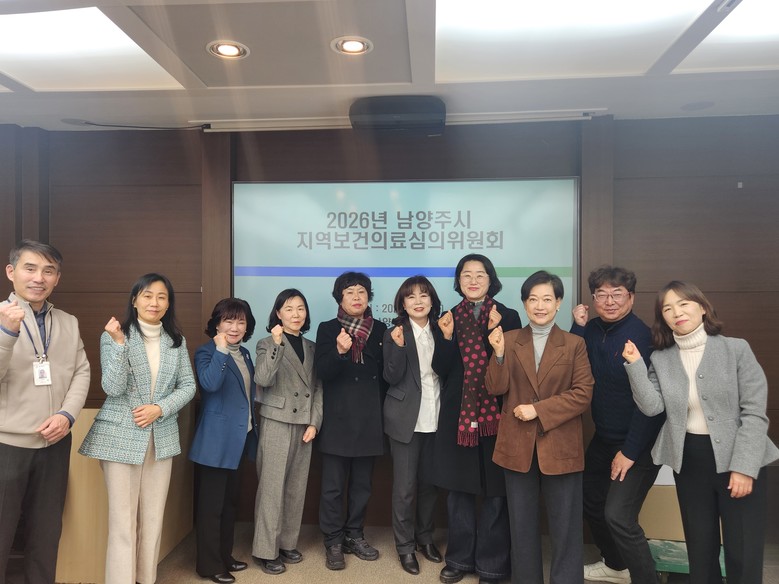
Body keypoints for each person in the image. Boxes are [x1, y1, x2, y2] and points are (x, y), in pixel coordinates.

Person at [623, 281, 779, 584]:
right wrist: (636, 366)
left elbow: (754, 413)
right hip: (690, 462)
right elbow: (652, 407)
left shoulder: (736, 349)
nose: (676, 312)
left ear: (703, 307)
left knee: (742, 551)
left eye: (683, 304)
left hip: (739, 459)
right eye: (667, 308)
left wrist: (744, 467)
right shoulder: (662, 358)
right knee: (700, 549)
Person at [79, 273, 196, 584]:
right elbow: (112, 387)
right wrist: (119, 345)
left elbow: (188, 386)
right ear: (134, 300)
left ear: (168, 304)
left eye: (161, 297)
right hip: (121, 437)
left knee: (153, 519)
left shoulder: (176, 341)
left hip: (161, 437)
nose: (154, 302)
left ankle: (146, 579)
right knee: (123, 522)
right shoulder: (115, 335)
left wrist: (161, 408)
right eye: (147, 295)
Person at [486, 270, 594, 584]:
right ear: (524, 303)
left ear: (559, 303)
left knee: (566, 526)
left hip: (561, 445)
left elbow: (583, 394)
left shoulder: (574, 344)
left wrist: (538, 410)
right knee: (521, 526)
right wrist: (499, 355)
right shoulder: (507, 340)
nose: (540, 306)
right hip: (516, 445)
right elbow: (494, 387)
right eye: (533, 299)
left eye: (547, 299)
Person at [0, 239, 90, 583]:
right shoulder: (0, 316)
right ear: (11, 272)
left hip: (54, 443)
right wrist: (6, 334)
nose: (39, 278)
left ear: (57, 278)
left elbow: (81, 371)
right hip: (7, 444)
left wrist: (67, 416)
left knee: (46, 533)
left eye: (48, 271)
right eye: (30, 268)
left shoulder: (68, 322)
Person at [432, 254, 522, 584]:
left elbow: (511, 366)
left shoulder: (508, 316)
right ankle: (458, 560)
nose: (473, 280)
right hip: (458, 416)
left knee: (496, 493)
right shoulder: (448, 318)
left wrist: (494, 331)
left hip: (496, 415)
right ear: (458, 282)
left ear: (490, 279)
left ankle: (492, 566)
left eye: (479, 274)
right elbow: (441, 369)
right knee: (459, 491)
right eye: (466, 275)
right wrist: (445, 338)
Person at [571, 266, 664, 584]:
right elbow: (570, 363)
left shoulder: (645, 337)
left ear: (631, 297)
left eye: (617, 294)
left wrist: (630, 451)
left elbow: (651, 406)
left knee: (619, 516)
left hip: (641, 442)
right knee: (589, 499)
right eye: (602, 295)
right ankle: (616, 565)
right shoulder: (591, 329)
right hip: (604, 437)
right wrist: (578, 326)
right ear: (593, 298)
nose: (609, 301)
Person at [314, 271, 387, 571]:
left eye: (362, 292)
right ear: (340, 298)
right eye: (350, 292)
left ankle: (354, 535)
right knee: (332, 487)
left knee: (362, 486)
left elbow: (387, 375)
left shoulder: (380, 329)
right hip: (338, 418)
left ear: (369, 297)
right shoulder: (328, 329)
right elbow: (322, 372)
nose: (357, 297)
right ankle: (333, 540)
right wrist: (340, 352)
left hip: (370, 418)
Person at [189, 298, 259, 583]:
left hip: (239, 439)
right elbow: (209, 384)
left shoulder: (245, 353)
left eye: (241, 321)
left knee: (230, 503)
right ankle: (209, 565)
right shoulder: (206, 352)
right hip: (215, 442)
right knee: (211, 507)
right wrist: (220, 350)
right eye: (228, 321)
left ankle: (224, 556)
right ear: (217, 324)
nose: (235, 327)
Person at [253, 289, 322, 575]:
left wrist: (315, 422)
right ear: (278, 313)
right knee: (271, 489)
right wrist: (277, 343)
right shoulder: (266, 343)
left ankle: (286, 543)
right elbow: (263, 378)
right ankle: (265, 550)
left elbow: (318, 387)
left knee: (296, 488)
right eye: (289, 308)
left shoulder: (312, 347)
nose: (296, 314)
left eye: (300, 308)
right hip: (277, 421)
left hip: (304, 424)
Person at [383, 276, 444, 576]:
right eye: (411, 297)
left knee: (430, 486)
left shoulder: (442, 330)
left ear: (432, 300)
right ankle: (405, 546)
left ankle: (425, 538)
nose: (418, 301)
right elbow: (391, 376)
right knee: (405, 489)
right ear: (403, 304)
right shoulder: (394, 333)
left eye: (424, 295)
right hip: (405, 419)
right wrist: (397, 347)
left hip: (437, 416)